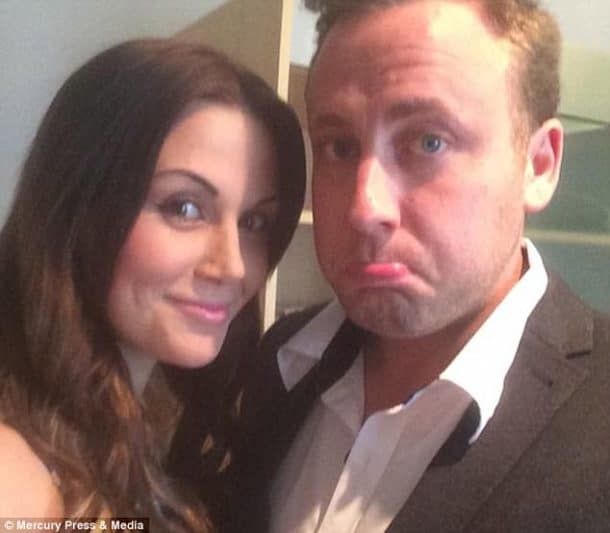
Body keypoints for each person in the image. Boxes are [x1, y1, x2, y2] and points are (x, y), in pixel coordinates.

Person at [238, 1, 610, 532]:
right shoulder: (282, 358)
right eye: (339, 147)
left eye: (428, 141)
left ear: (538, 164)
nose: (364, 208)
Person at [0, 39, 305, 531]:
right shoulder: (17, 480)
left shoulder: (164, 419)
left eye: (254, 222)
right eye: (184, 208)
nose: (233, 266)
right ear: (80, 208)